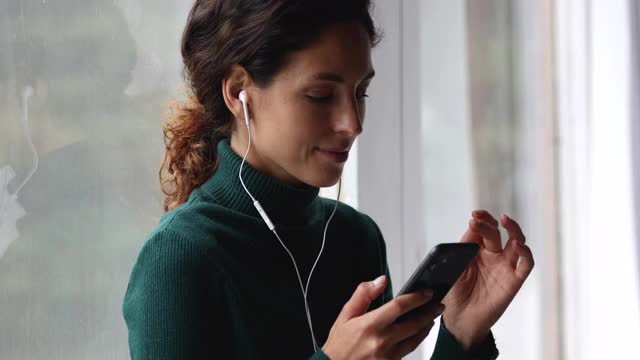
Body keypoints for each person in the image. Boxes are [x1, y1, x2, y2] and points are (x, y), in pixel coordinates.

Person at [122, 1, 535, 359]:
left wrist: (462, 337)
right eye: (321, 96)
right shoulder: (179, 258)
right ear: (238, 91)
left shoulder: (356, 238)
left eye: (361, 93)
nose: (352, 123)